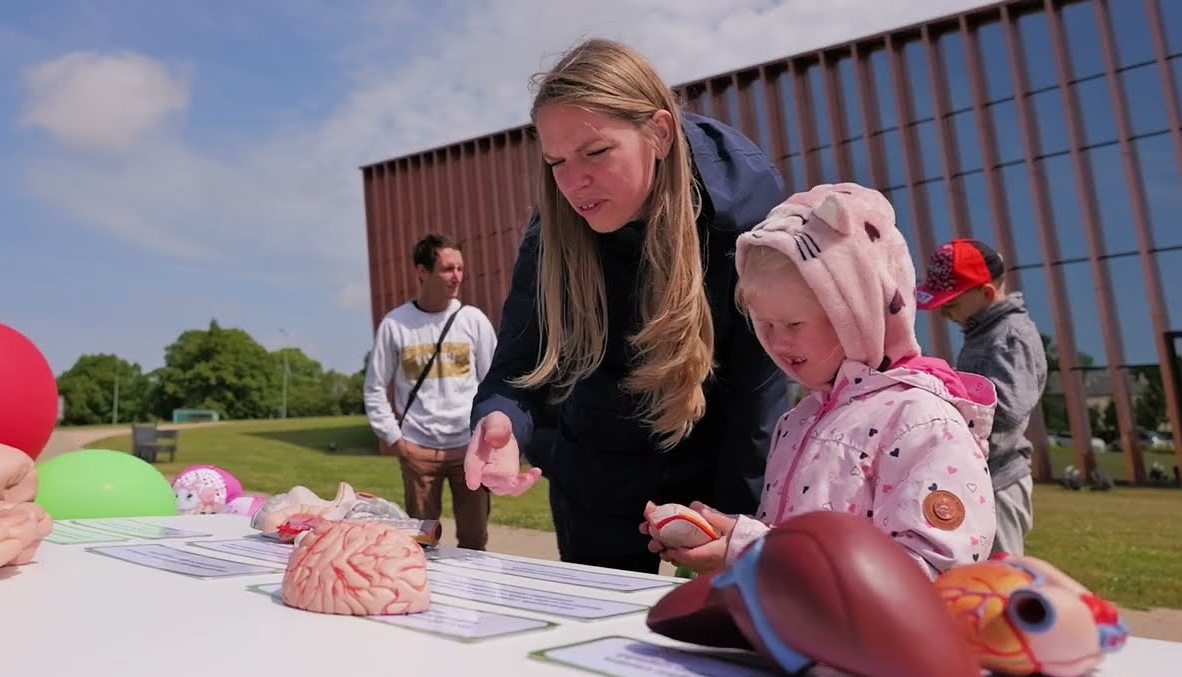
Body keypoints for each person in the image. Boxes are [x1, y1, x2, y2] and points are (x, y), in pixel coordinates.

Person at [463, 38, 789, 574]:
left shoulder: (744, 213)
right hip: (595, 462)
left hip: (712, 445)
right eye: (555, 162)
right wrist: (500, 424)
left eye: (595, 153)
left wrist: (733, 523)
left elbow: (759, 389)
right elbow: (518, 367)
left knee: (709, 638)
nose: (572, 183)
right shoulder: (552, 231)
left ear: (658, 133)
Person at [643, 183, 999, 579]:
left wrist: (752, 550)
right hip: (800, 636)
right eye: (764, 324)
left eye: (794, 323)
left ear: (860, 313)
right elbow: (794, 547)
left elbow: (935, 572)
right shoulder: (801, 419)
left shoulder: (921, 422)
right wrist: (729, 538)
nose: (777, 341)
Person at [363, 233, 498, 550]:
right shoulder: (396, 324)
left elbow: (494, 382)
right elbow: (374, 388)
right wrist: (396, 439)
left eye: (460, 269)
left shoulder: (473, 321)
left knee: (474, 541)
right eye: (447, 269)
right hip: (418, 451)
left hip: (468, 450)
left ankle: (471, 598)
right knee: (419, 542)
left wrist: (488, 438)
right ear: (421, 271)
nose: (457, 277)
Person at [915, 238, 1048, 556]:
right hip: (980, 475)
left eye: (952, 305)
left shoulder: (1010, 337)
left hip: (1002, 479)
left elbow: (1008, 408)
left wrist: (946, 393)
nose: (946, 314)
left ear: (986, 293)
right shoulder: (983, 333)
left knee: (1000, 572)